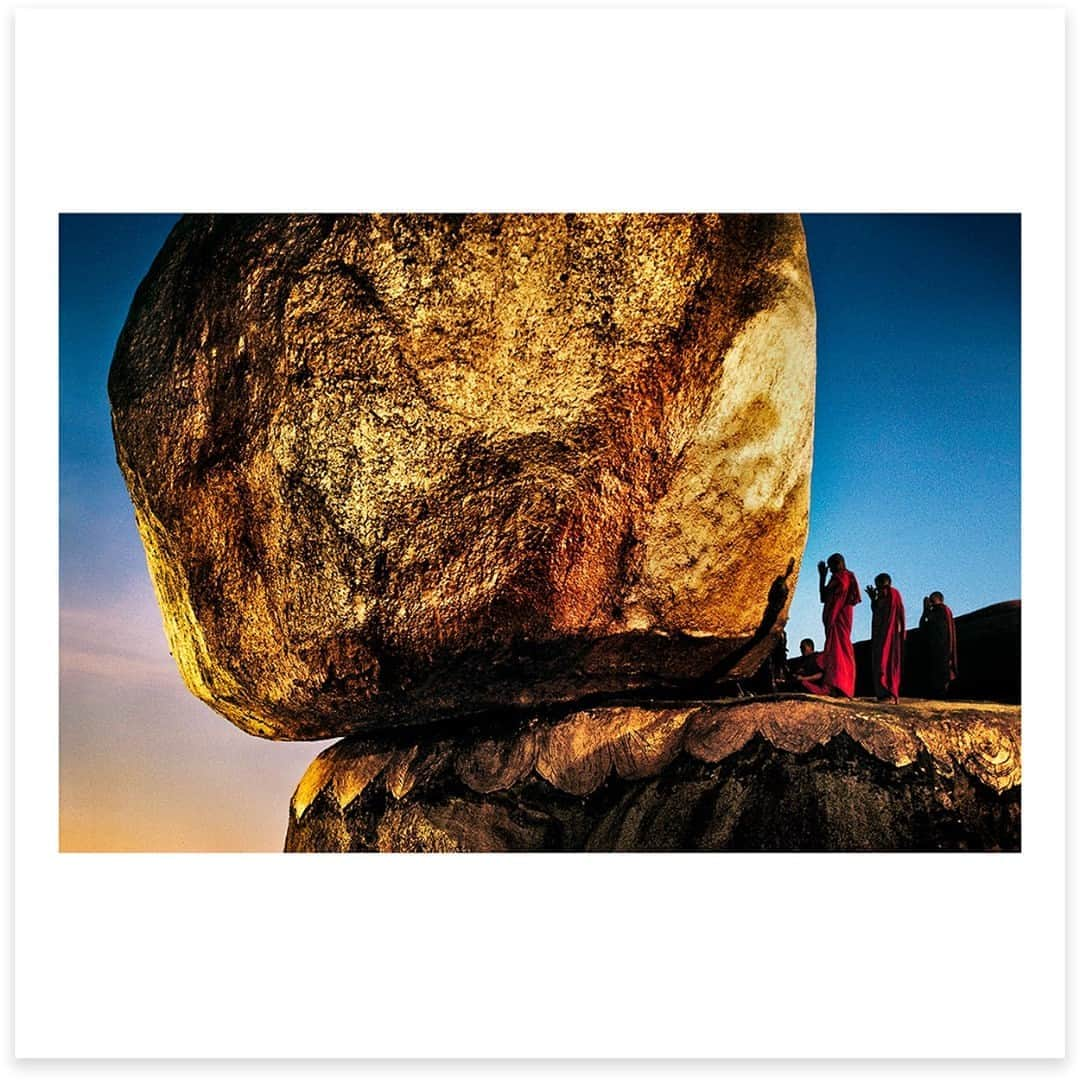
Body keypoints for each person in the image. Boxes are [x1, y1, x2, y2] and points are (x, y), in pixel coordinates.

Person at [817, 553, 861, 697]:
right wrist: (822, 577)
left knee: (841, 649)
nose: (831, 570)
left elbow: (842, 590)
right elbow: (824, 597)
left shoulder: (844, 577)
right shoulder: (834, 578)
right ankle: (834, 685)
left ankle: (843, 686)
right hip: (832, 618)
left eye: (833, 565)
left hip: (840, 617)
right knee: (834, 651)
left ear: (840, 563)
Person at [866, 573, 906, 702]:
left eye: (881, 588)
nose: (879, 591)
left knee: (887, 662)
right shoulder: (881, 597)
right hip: (879, 635)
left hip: (890, 636)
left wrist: (898, 632)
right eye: (878, 589)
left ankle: (890, 693)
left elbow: (897, 614)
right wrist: (873, 599)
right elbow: (877, 611)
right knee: (878, 662)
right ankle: (882, 694)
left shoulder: (893, 594)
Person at [920, 591, 958, 697]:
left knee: (942, 671)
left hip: (942, 646)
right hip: (936, 645)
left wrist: (927, 611)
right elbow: (923, 626)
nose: (931, 603)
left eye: (932, 600)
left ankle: (942, 693)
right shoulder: (938, 610)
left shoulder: (941, 610)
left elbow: (931, 625)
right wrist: (925, 611)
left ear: (939, 600)